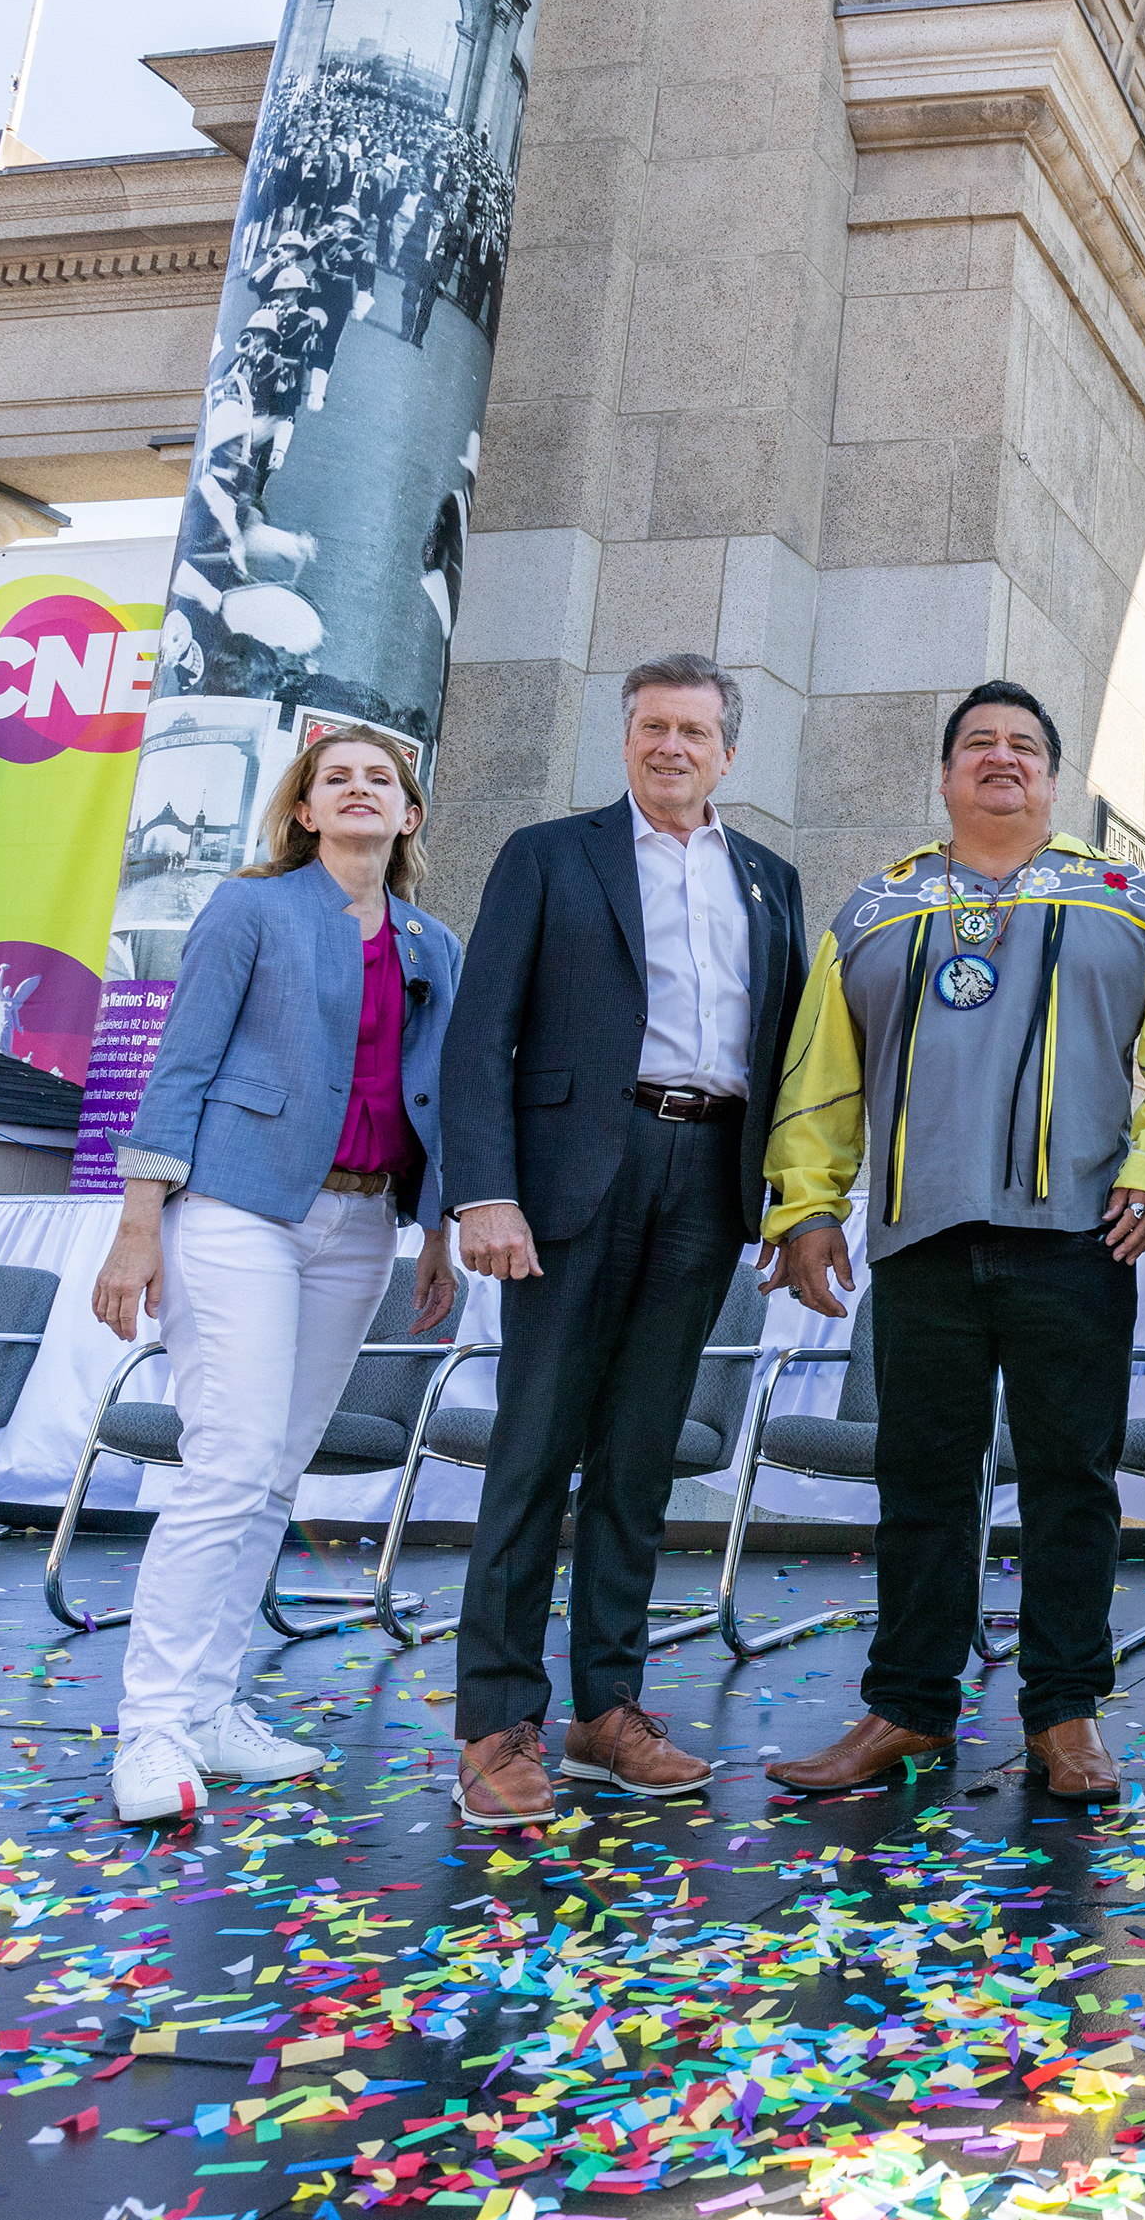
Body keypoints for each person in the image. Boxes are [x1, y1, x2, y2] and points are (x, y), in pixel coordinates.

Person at [759, 682, 1145, 1804]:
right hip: (924, 1243)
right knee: (923, 1483)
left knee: (1070, 1482)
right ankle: (907, 1706)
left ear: (1054, 779)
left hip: (1077, 1240)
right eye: (978, 745)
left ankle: (1065, 1713)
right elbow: (821, 1073)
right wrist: (807, 1204)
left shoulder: (1133, 902)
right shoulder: (875, 908)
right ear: (947, 772)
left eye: (1024, 747)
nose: (1001, 759)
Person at [439, 655, 811, 1829]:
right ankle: (498, 1722)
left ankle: (609, 1708)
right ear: (626, 738)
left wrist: (797, 1205)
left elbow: (797, 1059)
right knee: (536, 1447)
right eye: (652, 725)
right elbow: (477, 1036)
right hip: (568, 1182)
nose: (671, 745)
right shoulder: (550, 855)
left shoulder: (770, 881)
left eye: (694, 730)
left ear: (728, 753)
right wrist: (483, 1192)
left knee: (641, 1458)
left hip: (707, 1173)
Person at [95, 735, 465, 1824]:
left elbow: (434, 1094)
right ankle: (152, 1724)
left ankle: (212, 1707)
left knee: (276, 1469)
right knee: (231, 1457)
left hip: (361, 1220)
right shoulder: (250, 908)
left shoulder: (433, 942)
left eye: (382, 780)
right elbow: (184, 1061)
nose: (359, 789)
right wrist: (138, 1224)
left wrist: (435, 1230)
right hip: (238, 1206)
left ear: (409, 816)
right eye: (335, 778)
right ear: (303, 810)